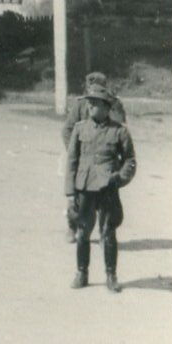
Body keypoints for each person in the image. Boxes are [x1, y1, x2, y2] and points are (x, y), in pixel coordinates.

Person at [64, 84, 136, 292]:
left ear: (106, 107)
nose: (89, 106)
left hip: (107, 189)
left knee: (108, 232)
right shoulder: (80, 128)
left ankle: (111, 276)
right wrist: (70, 193)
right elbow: (71, 162)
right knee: (83, 231)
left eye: (94, 103)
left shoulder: (119, 131)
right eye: (89, 103)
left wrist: (119, 178)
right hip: (85, 187)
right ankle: (82, 273)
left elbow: (130, 160)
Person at [61, 72, 128, 242]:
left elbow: (119, 129)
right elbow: (67, 129)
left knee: (107, 199)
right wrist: (75, 150)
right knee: (77, 196)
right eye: (90, 87)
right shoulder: (81, 104)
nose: (92, 90)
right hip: (84, 158)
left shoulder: (113, 104)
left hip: (105, 161)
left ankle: (105, 232)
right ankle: (73, 226)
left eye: (97, 87)